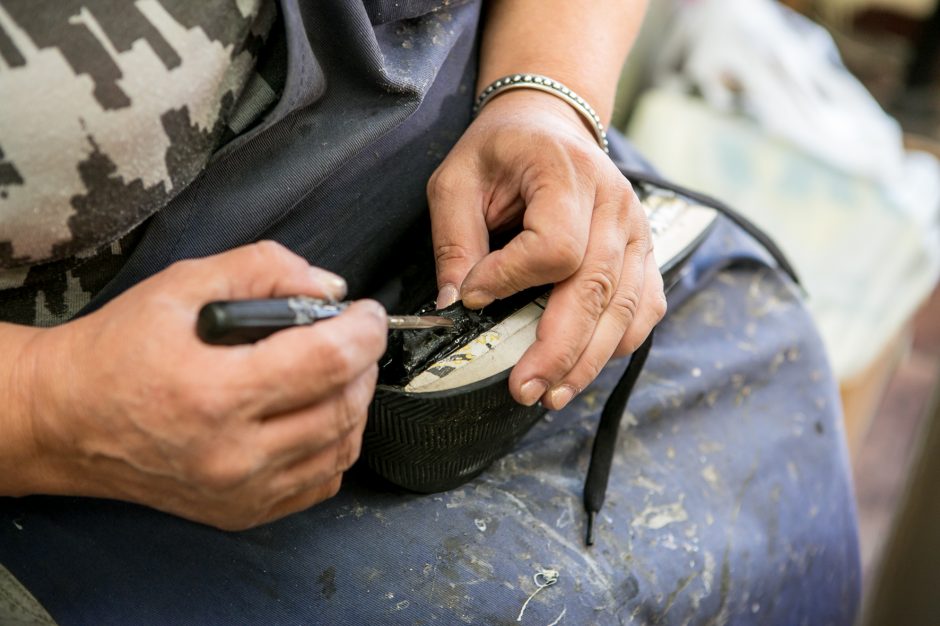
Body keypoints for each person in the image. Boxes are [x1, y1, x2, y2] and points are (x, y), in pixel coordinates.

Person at [0, 1, 860, 623]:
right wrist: (48, 405)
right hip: (78, 436)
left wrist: (549, 101)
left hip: (497, 207)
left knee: (763, 388)